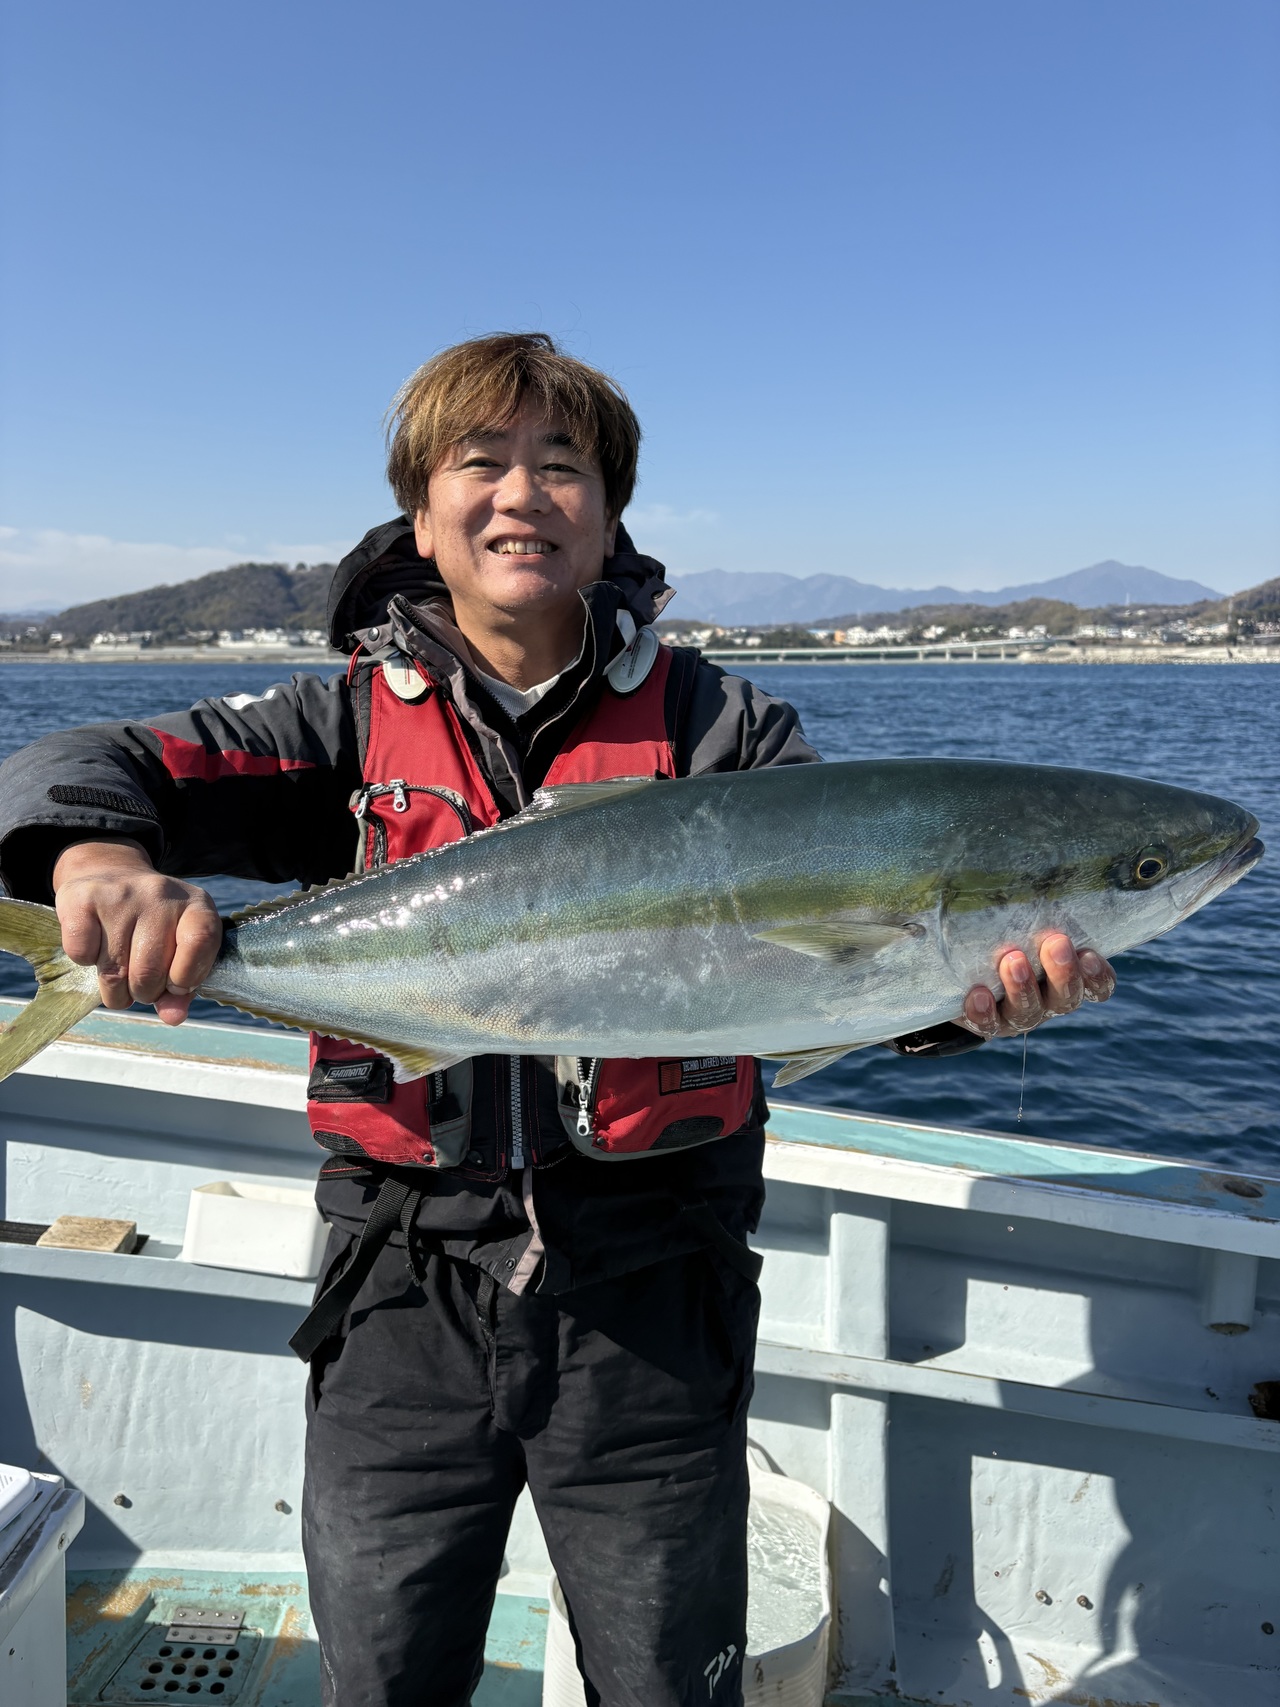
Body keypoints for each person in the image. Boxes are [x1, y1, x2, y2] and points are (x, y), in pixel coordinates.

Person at [0, 334, 1114, 1707]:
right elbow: (79, 763)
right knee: (386, 1674)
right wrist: (95, 865)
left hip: (656, 1286)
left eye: (563, 464)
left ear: (610, 514)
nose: (522, 493)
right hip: (397, 1288)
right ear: (421, 518)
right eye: (481, 462)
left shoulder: (727, 736)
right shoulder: (335, 729)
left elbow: (836, 976)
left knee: (665, 1680)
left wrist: (963, 1005)